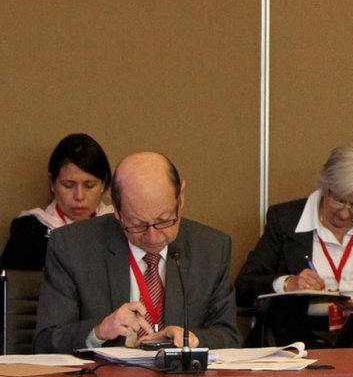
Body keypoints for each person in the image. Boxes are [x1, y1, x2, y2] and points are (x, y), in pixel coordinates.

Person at [33, 152, 240, 353]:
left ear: (181, 197)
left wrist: (192, 340)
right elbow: (45, 342)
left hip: (180, 375)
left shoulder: (211, 249)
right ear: (116, 208)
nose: (153, 237)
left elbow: (229, 336)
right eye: (138, 225)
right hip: (105, 375)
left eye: (164, 221)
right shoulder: (72, 247)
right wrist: (98, 332)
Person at [235, 144, 353, 346]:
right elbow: (244, 287)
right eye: (339, 201)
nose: (344, 213)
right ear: (325, 186)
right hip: (295, 338)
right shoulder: (285, 220)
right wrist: (288, 284)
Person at [1, 133, 113, 271]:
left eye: (89, 186)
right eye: (68, 185)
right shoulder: (29, 231)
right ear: (52, 183)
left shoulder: (120, 226)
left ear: (104, 184)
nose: (79, 196)